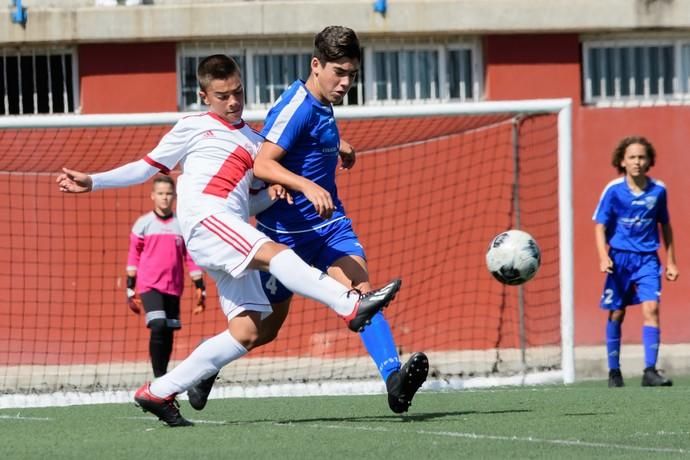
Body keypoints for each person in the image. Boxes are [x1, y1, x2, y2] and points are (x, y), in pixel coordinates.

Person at [57, 54, 402, 427]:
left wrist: (328, 153)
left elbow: (262, 187)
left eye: (238, 92)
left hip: (229, 229)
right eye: (223, 96)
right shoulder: (192, 127)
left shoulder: (255, 142)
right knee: (276, 254)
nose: (234, 102)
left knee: (249, 330)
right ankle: (350, 304)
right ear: (205, 96)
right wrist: (95, 181)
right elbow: (146, 167)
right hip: (207, 220)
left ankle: (159, 391)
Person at [187, 26, 427, 415]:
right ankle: (203, 368)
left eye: (352, 74)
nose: (346, 82)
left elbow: (308, 138)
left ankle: (394, 381)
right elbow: (264, 162)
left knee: (363, 296)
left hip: (330, 229)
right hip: (285, 238)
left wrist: (336, 146)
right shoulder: (295, 105)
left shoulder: (321, 102)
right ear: (316, 65)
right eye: (338, 73)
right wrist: (306, 186)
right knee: (260, 331)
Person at [593, 135, 679, 388]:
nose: (637, 162)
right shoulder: (613, 190)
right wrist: (603, 256)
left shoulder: (658, 190)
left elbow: (666, 225)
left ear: (649, 160)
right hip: (619, 259)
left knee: (651, 309)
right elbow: (599, 226)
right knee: (617, 312)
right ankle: (614, 372)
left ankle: (650, 371)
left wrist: (671, 262)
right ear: (622, 160)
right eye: (632, 157)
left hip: (648, 260)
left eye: (642, 157)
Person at [126, 175, 207, 378]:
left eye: (169, 194)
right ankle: (158, 376)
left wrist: (200, 286)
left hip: (173, 286)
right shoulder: (143, 224)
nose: (165, 198)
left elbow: (190, 257)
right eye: (161, 193)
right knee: (158, 324)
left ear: (175, 197)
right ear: (153, 196)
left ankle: (162, 378)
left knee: (169, 330)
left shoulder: (181, 225)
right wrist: (130, 287)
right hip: (149, 285)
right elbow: (133, 254)